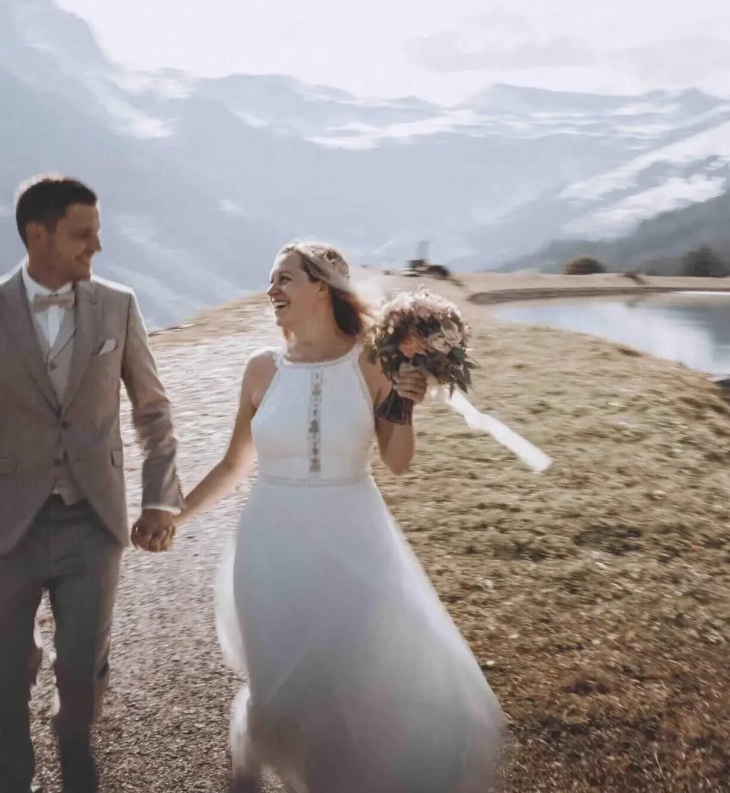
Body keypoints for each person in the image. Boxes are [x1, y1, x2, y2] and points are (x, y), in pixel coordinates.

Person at [175, 241, 504, 793]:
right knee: (276, 684)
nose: (271, 290)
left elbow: (398, 462)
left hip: (354, 542)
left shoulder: (374, 362)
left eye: (284, 279)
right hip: (268, 546)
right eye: (270, 280)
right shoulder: (260, 369)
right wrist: (175, 515)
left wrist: (405, 403)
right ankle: (249, 771)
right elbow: (234, 464)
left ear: (321, 288)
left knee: (348, 688)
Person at [0, 174, 183, 793]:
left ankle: (78, 767)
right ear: (38, 235)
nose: (97, 246)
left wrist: (160, 497)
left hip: (94, 523)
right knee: (4, 678)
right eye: (82, 234)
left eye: (97, 232)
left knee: (83, 677)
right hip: (7, 530)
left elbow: (153, 411)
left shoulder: (119, 305)